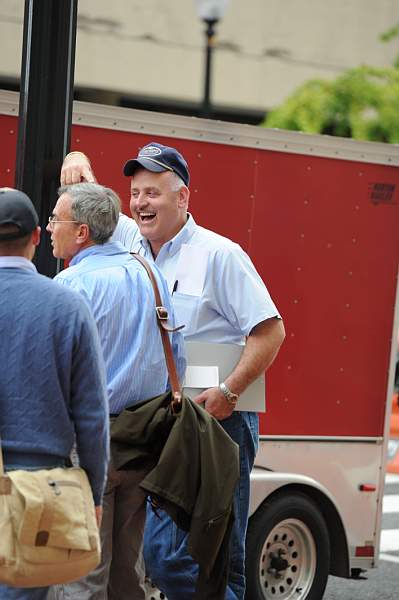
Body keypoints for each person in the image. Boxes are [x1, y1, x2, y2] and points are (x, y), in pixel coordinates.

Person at [61, 145, 285, 600]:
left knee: (220, 554)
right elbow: (87, 212)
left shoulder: (220, 254)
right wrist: (79, 157)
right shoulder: (128, 243)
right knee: (161, 556)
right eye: (135, 193)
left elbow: (271, 331)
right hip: (162, 423)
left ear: (183, 198)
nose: (141, 203)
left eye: (154, 193)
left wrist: (229, 390)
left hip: (218, 420)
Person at [46, 182, 186, 600]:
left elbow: (53, 373)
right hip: (145, 439)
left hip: (87, 446)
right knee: (129, 574)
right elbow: (175, 357)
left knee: (81, 574)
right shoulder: (151, 274)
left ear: (83, 232)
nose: (50, 227)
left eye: (57, 218)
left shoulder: (72, 285)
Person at [0, 187, 109, 600]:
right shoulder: (67, 307)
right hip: (39, 494)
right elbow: (93, 417)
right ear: (33, 239)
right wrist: (94, 493)